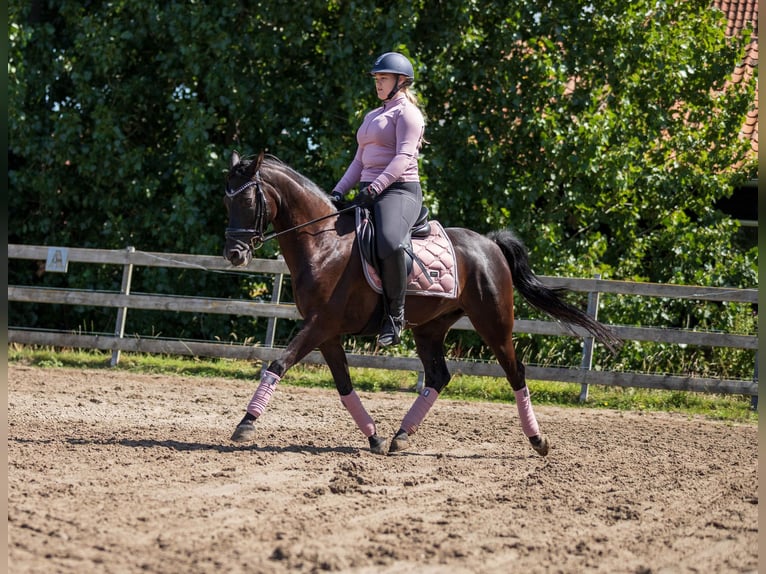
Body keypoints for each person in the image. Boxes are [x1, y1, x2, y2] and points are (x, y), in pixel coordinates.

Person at [330, 52, 426, 347]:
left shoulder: (408, 114)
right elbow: (359, 161)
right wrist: (336, 191)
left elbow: (403, 158)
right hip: (368, 188)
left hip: (399, 190)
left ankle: (395, 317)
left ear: (401, 81)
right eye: (376, 78)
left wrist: (376, 188)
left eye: (383, 78)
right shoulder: (372, 116)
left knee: (390, 240)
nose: (378, 83)